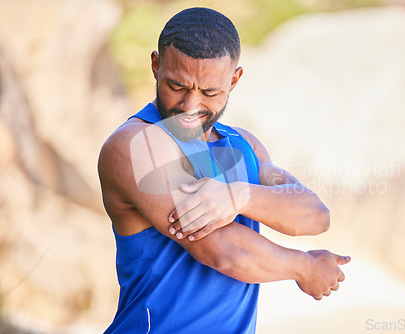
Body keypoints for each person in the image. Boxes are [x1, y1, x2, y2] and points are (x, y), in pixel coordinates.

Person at [98, 7, 350, 334]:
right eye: (177, 86)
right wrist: (305, 267)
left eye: (209, 92)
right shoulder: (136, 145)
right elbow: (223, 251)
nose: (190, 106)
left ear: (233, 80)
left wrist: (239, 197)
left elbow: (315, 215)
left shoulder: (244, 144)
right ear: (156, 67)